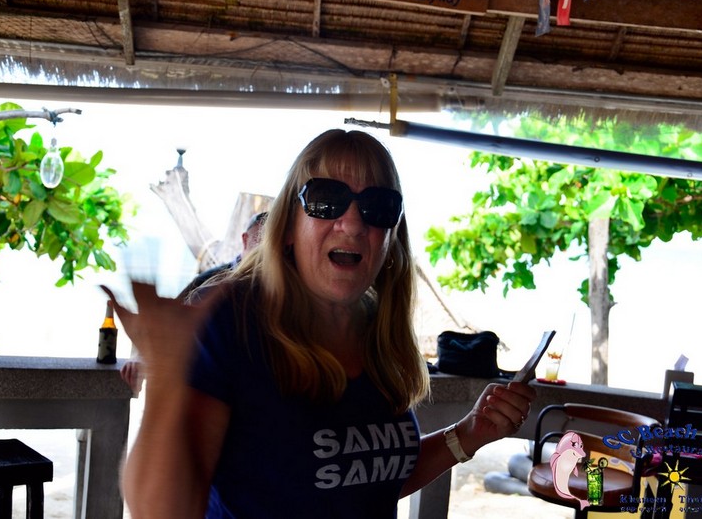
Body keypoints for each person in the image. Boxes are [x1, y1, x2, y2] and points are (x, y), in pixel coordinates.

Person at [103, 129, 535, 518]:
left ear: (390, 237)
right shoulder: (236, 323)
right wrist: (167, 381)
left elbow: (365, 484)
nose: (353, 223)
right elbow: (161, 510)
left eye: (378, 207)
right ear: (289, 226)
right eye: (326, 200)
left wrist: (469, 433)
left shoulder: (377, 331)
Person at [120, 211, 268, 393]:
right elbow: (167, 320)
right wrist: (140, 356)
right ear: (245, 240)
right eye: (259, 241)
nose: (265, 251)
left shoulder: (277, 288)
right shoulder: (211, 280)